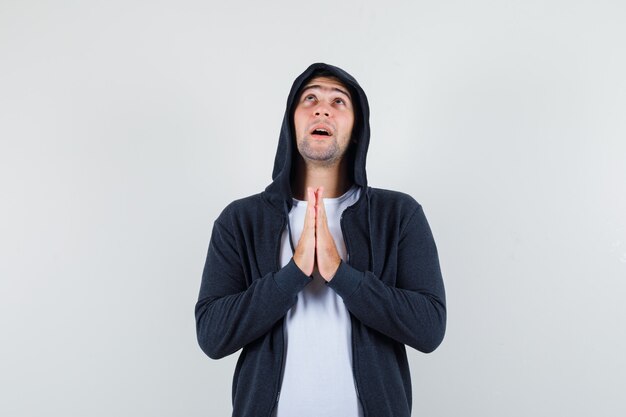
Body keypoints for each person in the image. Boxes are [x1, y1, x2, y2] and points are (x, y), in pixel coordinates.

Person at [195, 63, 446, 417]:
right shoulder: (241, 220)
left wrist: (341, 273)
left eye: (339, 101)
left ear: (356, 130)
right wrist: (293, 274)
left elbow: (429, 327)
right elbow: (212, 335)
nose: (322, 108)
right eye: (309, 98)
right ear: (292, 123)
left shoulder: (399, 214)